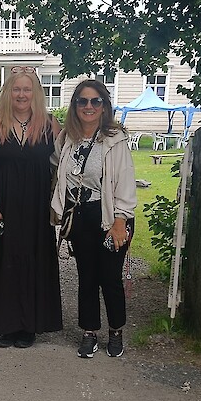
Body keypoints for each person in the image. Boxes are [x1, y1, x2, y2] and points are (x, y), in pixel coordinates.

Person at [0, 67, 62, 348]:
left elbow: (63, 166)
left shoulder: (50, 126)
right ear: (8, 93)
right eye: (16, 89)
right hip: (5, 206)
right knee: (5, 261)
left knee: (34, 259)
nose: (21, 94)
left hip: (38, 208)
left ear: (35, 93)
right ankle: (6, 325)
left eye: (27, 89)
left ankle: (29, 326)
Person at [51, 79, 136, 358]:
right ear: (75, 106)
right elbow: (55, 167)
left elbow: (125, 181)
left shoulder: (116, 139)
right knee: (86, 277)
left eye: (95, 101)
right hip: (80, 216)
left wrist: (120, 221)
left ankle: (116, 331)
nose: (89, 107)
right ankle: (89, 332)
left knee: (109, 278)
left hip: (110, 216)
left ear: (104, 106)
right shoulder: (67, 139)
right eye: (82, 101)